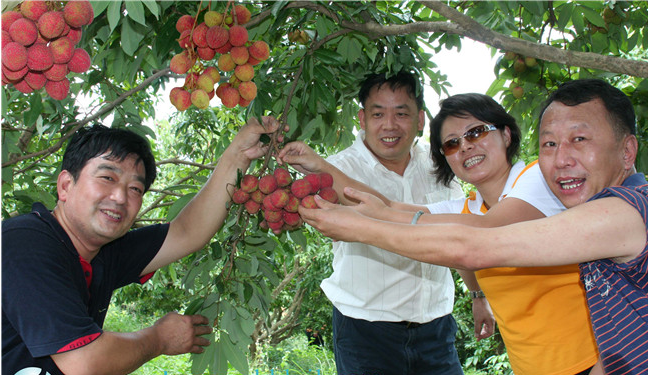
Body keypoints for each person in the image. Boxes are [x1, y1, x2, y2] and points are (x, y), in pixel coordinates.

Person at [298, 79, 646, 374]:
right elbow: (395, 210)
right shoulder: (471, 205)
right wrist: (320, 169)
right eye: (451, 143)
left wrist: (358, 228)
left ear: (507, 134)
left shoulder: (557, 185)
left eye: (476, 132)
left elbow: (476, 243)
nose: (466, 146)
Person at [2, 117, 284, 375]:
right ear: (65, 185)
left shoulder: (103, 252)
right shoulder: (24, 242)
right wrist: (159, 339)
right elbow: (83, 362)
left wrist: (239, 154)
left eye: (135, 189)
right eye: (107, 178)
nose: (120, 197)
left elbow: (188, 232)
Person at [283, 71, 489, 375]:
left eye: (401, 114)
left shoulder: (440, 167)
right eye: (378, 114)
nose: (389, 125)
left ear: (420, 120)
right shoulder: (334, 171)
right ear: (362, 118)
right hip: (365, 333)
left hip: (436, 328)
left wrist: (477, 295)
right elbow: (373, 209)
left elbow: (456, 234)